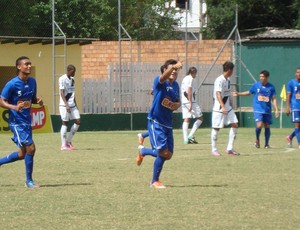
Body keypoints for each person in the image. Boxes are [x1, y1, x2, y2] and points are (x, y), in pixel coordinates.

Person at [136, 59, 182, 189]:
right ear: (164, 70)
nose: (174, 71)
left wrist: (176, 105)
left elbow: (177, 101)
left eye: (176, 70)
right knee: (162, 152)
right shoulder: (159, 81)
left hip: (168, 123)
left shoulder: (176, 86)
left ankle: (143, 151)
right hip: (156, 121)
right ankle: (154, 181)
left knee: (168, 155)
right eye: (171, 69)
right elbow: (163, 77)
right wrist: (174, 66)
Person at [0, 56, 44, 188]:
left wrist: (38, 101)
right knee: (31, 148)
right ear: (19, 67)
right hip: (16, 122)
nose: (29, 66)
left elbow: (32, 99)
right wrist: (13, 107)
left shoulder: (32, 82)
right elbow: (1, 101)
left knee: (22, 154)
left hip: (26, 122)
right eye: (26, 64)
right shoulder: (12, 84)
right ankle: (29, 181)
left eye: (30, 64)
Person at [233, 70, 279, 148]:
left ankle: (266, 144)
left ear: (267, 77)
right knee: (259, 125)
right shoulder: (256, 85)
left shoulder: (271, 87)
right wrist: (238, 93)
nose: (261, 78)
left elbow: (274, 99)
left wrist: (276, 109)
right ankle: (257, 139)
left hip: (267, 110)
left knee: (267, 126)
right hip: (258, 109)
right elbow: (248, 92)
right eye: (260, 76)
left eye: (262, 76)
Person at [211, 61, 239, 156]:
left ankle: (229, 148)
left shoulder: (228, 80)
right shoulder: (219, 80)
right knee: (216, 128)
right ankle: (214, 149)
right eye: (232, 70)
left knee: (235, 124)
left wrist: (230, 102)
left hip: (228, 107)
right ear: (230, 70)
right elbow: (218, 94)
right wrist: (223, 107)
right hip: (219, 107)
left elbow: (227, 93)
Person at [59, 64, 81, 150]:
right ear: (69, 70)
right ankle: (63, 145)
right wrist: (66, 105)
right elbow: (61, 93)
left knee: (78, 121)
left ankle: (68, 141)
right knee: (65, 122)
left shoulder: (72, 79)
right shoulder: (62, 79)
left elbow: (72, 92)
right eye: (73, 71)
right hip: (64, 105)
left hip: (72, 105)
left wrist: (75, 105)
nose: (74, 73)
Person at [181, 67, 203, 144]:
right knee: (200, 118)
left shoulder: (184, 78)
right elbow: (189, 90)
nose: (196, 75)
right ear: (193, 73)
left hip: (184, 101)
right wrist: (190, 103)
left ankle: (185, 139)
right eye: (195, 73)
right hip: (190, 101)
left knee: (187, 119)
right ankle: (190, 135)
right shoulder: (190, 78)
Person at [286, 67, 300, 148]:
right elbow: (288, 96)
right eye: (298, 72)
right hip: (295, 107)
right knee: (297, 126)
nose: (299, 74)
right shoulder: (291, 83)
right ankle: (299, 144)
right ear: (295, 73)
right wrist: (287, 107)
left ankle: (290, 137)